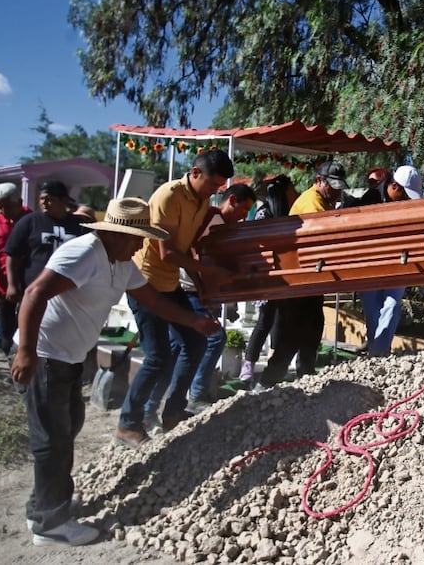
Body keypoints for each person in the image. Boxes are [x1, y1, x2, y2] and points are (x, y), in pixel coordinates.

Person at [9, 197, 220, 547]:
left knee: (69, 427)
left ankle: (48, 503)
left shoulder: (121, 263)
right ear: (118, 234)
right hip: (45, 354)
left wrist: (195, 321)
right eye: (137, 238)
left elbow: (153, 301)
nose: (141, 245)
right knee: (51, 440)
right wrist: (26, 351)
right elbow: (34, 293)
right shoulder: (83, 254)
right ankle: (49, 524)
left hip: (70, 357)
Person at [116, 149, 235, 447]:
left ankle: (173, 411)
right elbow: (167, 253)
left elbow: (188, 250)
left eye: (219, 188)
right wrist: (207, 269)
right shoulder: (168, 196)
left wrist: (203, 287)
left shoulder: (202, 199)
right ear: (195, 173)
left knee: (197, 340)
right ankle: (127, 425)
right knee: (157, 357)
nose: (214, 192)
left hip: (170, 283)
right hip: (145, 282)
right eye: (211, 185)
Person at [258, 160, 346, 387]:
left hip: (308, 281)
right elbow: (325, 239)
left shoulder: (322, 202)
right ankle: (267, 385)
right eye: (332, 186)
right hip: (299, 281)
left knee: (312, 329)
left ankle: (304, 379)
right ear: (319, 181)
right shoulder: (312, 203)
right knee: (291, 336)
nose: (336, 192)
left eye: (338, 187)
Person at [185, 183, 256, 412]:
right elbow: (190, 250)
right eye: (243, 210)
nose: (244, 216)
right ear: (231, 200)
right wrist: (202, 284)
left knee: (202, 341)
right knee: (214, 338)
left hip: (199, 288)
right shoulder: (212, 217)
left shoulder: (224, 224)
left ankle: (193, 392)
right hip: (187, 286)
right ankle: (195, 395)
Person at [356, 165, 423, 356]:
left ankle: (379, 352)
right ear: (394, 186)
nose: (407, 199)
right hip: (369, 262)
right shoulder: (369, 199)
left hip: (397, 262)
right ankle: (376, 348)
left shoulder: (408, 204)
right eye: (405, 194)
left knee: (392, 305)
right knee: (372, 309)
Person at [240, 174, 298, 383]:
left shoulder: (289, 215)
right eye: (291, 190)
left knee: (279, 321)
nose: (295, 194)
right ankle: (248, 365)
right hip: (266, 275)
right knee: (264, 320)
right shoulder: (264, 213)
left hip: (283, 276)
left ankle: (274, 361)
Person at [5, 180, 84, 306]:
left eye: (49, 199)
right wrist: (12, 284)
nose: (43, 203)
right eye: (41, 199)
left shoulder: (80, 225)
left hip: (70, 291)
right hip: (35, 290)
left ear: (63, 200)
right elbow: (12, 255)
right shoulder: (30, 222)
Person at [0, 183, 31, 355]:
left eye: (7, 206)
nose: (3, 211)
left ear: (19, 201)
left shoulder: (34, 220)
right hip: (4, 289)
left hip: (31, 287)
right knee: (7, 334)